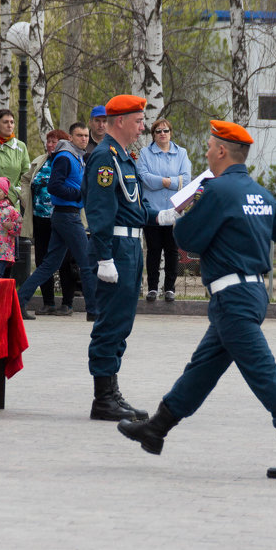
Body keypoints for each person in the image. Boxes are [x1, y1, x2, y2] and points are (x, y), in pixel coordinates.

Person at [116, 120, 276, 479]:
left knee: (263, 372)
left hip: (232, 297)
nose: (206, 153)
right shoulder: (259, 194)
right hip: (250, 293)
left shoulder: (217, 191)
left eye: (209, 147)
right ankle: (157, 429)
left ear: (222, 151)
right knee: (203, 367)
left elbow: (187, 238)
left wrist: (182, 214)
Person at [84, 94, 173, 421]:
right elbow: (100, 211)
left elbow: (133, 206)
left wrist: (161, 216)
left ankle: (111, 392)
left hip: (131, 247)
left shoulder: (124, 157)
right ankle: (103, 398)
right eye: (138, 121)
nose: (143, 127)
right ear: (119, 121)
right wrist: (104, 257)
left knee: (122, 322)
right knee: (110, 322)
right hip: (116, 250)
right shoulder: (105, 159)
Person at [16, 129, 99, 322]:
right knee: (86, 263)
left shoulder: (77, 157)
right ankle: (94, 310)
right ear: (71, 138)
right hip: (67, 216)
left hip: (66, 216)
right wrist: (79, 195)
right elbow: (54, 186)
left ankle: (19, 300)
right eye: (80, 135)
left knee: (49, 264)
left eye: (86, 136)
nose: (84, 139)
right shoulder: (65, 157)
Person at [19, 129, 77, 315]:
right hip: (40, 218)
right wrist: (26, 200)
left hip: (62, 217)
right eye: (48, 141)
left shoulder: (67, 159)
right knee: (43, 259)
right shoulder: (40, 160)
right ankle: (48, 302)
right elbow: (26, 179)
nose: (50, 145)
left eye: (54, 141)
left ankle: (67, 303)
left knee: (65, 261)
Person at [137, 117, 192, 302]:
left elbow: (186, 179)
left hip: (174, 210)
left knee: (172, 250)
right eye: (158, 131)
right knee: (153, 249)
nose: (162, 134)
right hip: (152, 211)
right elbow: (144, 177)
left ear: (171, 133)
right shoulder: (145, 153)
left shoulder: (181, 153)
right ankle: (152, 288)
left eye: (165, 131)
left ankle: (170, 288)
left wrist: (164, 181)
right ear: (153, 134)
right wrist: (167, 181)